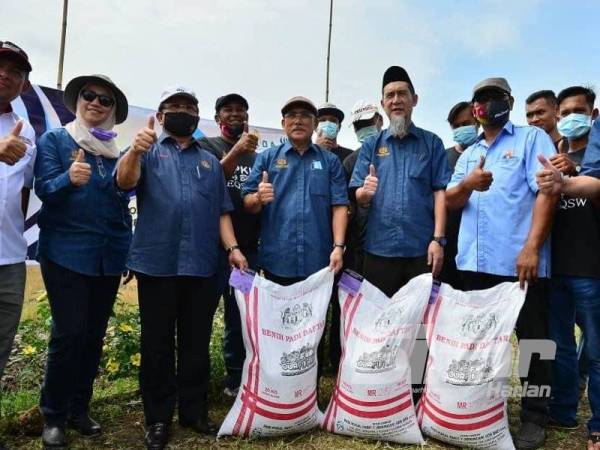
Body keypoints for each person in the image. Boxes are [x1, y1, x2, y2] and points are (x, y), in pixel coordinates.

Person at [116, 87, 247, 450]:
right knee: (157, 345)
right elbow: (124, 182)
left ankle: (194, 411)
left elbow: (222, 210)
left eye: (189, 107)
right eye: (174, 107)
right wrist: (135, 150)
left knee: (196, 344)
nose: (182, 112)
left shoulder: (208, 160)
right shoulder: (147, 151)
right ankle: (158, 419)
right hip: (156, 264)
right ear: (160, 116)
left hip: (203, 265)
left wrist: (233, 248)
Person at [446, 77, 557, 450]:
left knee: (533, 343)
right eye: (480, 100)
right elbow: (451, 200)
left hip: (518, 263)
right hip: (473, 265)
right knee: (479, 342)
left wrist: (532, 247)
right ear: (474, 108)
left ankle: (535, 416)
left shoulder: (530, 139)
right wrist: (468, 184)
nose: (486, 105)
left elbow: (546, 192)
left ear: (507, 101)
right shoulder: (468, 153)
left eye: (494, 98)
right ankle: (480, 408)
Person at [34, 74, 131, 449]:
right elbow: (44, 189)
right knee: (69, 334)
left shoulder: (114, 152)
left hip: (107, 256)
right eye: (89, 96)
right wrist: (67, 179)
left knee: (92, 337)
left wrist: (125, 252)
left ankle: (79, 409)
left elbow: (120, 208)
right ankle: (53, 415)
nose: (96, 103)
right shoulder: (56, 140)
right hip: (65, 254)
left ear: (112, 111)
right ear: (77, 102)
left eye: (105, 100)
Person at [349, 66, 450, 297]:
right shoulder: (371, 146)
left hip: (422, 251)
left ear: (414, 100)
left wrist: (438, 240)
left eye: (402, 94)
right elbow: (358, 195)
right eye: (390, 95)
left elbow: (440, 193)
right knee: (380, 324)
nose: (396, 100)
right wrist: (365, 193)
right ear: (383, 104)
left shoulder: (432, 143)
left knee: (421, 324)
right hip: (378, 250)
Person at [540, 86, 600, 450]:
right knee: (559, 345)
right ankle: (563, 411)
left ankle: (598, 424)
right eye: (564, 112)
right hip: (555, 268)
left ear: (593, 115)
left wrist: (574, 172)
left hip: (591, 269)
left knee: (596, 348)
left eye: (578, 110)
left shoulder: (593, 158)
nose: (570, 117)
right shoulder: (548, 154)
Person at [242, 95, 349, 285]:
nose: (298, 121)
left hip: (320, 261)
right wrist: (258, 197)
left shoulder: (330, 161)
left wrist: (339, 246)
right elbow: (247, 203)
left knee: (317, 316)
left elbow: (339, 206)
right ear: (283, 123)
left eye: (305, 115)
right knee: (278, 315)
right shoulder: (267, 158)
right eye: (292, 115)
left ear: (315, 123)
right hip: (277, 261)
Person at [199, 93, 260, 398]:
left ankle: (237, 379)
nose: (235, 115)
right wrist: (235, 151)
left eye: (241, 110)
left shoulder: (258, 155)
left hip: (248, 249)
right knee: (202, 315)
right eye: (228, 110)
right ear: (217, 117)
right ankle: (198, 382)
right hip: (212, 248)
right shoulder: (207, 147)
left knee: (241, 318)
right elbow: (208, 182)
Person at [0, 40, 35, 450]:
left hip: (9, 259)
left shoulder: (25, 133)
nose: (5, 74)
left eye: (15, 70)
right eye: (1, 66)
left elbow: (23, 196)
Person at [439, 101, 479, 289]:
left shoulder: (489, 153)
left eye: (466, 124)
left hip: (477, 245)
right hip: (448, 243)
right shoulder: (443, 157)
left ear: (477, 121)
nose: (461, 129)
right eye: (456, 126)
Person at [342, 100, 384, 273]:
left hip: (392, 245)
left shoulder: (398, 153)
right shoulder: (349, 161)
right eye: (359, 126)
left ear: (379, 120)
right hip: (359, 245)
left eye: (367, 123)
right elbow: (345, 204)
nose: (363, 129)